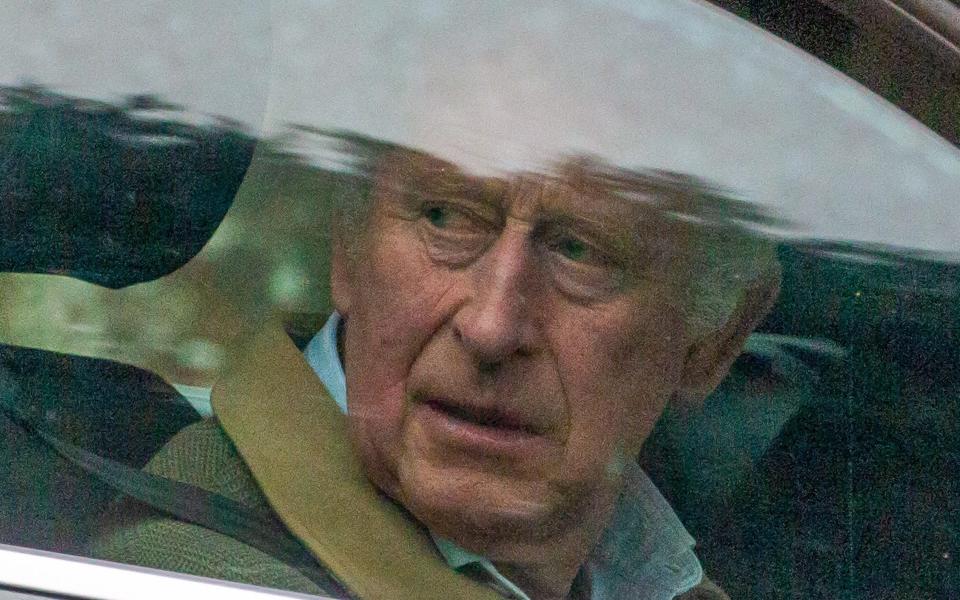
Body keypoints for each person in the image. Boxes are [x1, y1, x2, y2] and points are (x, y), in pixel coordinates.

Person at [90, 137, 781, 600]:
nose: (490, 326)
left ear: (713, 341)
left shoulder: (644, 570)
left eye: (580, 250)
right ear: (349, 249)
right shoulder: (200, 572)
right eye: (446, 216)